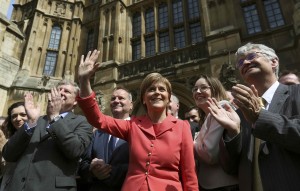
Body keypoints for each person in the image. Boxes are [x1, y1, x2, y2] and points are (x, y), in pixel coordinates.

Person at [76, 50, 198, 191]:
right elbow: (97, 119)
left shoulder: (182, 127)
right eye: (151, 89)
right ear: (144, 99)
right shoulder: (133, 125)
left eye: (162, 89)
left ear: (168, 98)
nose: (157, 92)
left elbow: (189, 174)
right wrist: (84, 80)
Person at [220, 42, 300, 191]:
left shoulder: (296, 93)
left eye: (251, 56)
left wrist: (260, 117)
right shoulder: (240, 113)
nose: (246, 62)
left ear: (274, 62)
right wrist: (232, 134)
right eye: (241, 62)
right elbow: (230, 168)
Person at [2, 80, 93, 191]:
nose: (61, 93)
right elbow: (8, 154)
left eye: (67, 91)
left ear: (75, 101)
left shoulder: (82, 122)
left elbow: (75, 150)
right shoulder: (36, 120)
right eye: (59, 90)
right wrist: (31, 122)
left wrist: (55, 117)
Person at [78, 86, 132, 191]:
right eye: (113, 98)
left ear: (131, 105)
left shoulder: (138, 130)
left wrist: (108, 172)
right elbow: (83, 164)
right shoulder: (97, 133)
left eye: (121, 98)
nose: (116, 101)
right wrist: (92, 171)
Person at [192, 74, 239, 190]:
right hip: (214, 185)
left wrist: (186, 142)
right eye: (195, 89)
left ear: (215, 89)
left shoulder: (221, 107)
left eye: (203, 87)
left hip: (225, 186)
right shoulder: (207, 117)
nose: (198, 91)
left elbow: (209, 154)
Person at [0, 102, 28, 191]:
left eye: (23, 114)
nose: (18, 119)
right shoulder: (9, 140)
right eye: (14, 116)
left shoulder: (39, 137)